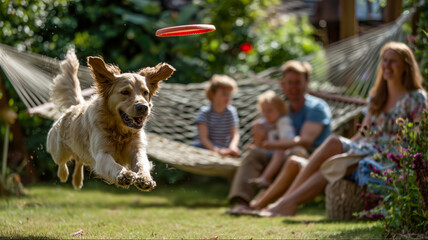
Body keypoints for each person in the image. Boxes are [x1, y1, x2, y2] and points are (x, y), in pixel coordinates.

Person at [250, 41, 427, 216]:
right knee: (334, 149)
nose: (387, 65)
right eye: (384, 60)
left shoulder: (416, 98)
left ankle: (284, 203)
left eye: (393, 61)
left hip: (388, 159)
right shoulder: (376, 97)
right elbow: (362, 133)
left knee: (334, 165)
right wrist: (345, 150)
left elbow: (417, 138)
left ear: (406, 66)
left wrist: (404, 160)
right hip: (365, 150)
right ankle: (284, 203)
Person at [227, 60, 332, 214]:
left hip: (310, 159)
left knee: (296, 151)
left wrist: (272, 144)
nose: (293, 87)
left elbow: (306, 141)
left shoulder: (317, 107)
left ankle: (271, 203)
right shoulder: (282, 109)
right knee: (254, 154)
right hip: (280, 155)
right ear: (282, 85)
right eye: (289, 82)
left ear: (307, 83)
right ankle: (242, 202)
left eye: (297, 82)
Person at [247, 90, 298, 188]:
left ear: (279, 110)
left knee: (279, 151)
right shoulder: (264, 122)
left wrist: (271, 143)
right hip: (269, 151)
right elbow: (260, 140)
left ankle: (265, 178)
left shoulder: (283, 122)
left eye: (269, 111)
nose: (266, 114)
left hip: (284, 153)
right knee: (256, 128)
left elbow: (286, 141)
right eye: (263, 111)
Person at [193, 74, 241, 157]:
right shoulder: (205, 112)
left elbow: (235, 134)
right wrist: (216, 151)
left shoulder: (231, 112)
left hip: (224, 149)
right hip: (204, 148)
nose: (228, 98)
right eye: (224, 94)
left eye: (229, 94)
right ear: (212, 95)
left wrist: (232, 147)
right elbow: (204, 139)